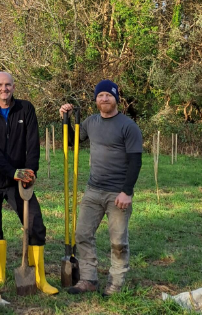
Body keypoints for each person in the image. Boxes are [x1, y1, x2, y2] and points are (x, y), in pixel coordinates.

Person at [0, 71, 58, 295]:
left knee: (35, 225)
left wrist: (30, 172)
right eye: (0, 85)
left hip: (21, 181)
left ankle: (40, 279)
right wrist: (14, 171)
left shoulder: (26, 109)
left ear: (14, 87)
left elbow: (33, 144)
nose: (4, 89)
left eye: (8, 85)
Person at [60, 80, 143, 296]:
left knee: (118, 241)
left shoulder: (128, 126)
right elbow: (72, 141)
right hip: (93, 190)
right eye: (100, 95)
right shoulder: (90, 122)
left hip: (118, 192)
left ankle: (116, 283)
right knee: (82, 234)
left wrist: (127, 191)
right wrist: (66, 119)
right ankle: (88, 279)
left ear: (116, 98)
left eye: (108, 95)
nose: (104, 98)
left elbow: (135, 161)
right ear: (95, 100)